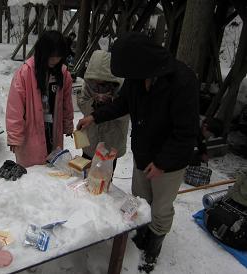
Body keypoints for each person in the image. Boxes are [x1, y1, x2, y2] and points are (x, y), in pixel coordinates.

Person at [77, 32, 199, 271]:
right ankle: (141, 236)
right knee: (140, 198)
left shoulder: (182, 81)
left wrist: (163, 162)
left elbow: (186, 132)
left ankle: (151, 251)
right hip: (143, 151)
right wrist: (95, 116)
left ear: (143, 63)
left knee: (161, 207)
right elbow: (123, 104)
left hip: (169, 159)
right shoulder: (137, 78)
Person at [6, 30, 74, 168]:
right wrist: (14, 136)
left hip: (53, 130)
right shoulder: (25, 73)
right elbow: (15, 108)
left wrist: (68, 125)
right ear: (43, 52)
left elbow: (67, 104)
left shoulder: (63, 74)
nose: (55, 60)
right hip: (31, 133)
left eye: (59, 56)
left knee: (52, 169)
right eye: (52, 56)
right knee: (33, 174)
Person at [77, 49, 129, 172]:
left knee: (104, 178)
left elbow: (126, 113)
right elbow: (82, 102)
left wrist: (109, 103)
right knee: (86, 174)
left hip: (112, 140)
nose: (97, 82)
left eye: (101, 79)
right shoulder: (89, 84)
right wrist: (94, 103)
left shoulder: (123, 86)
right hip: (91, 138)